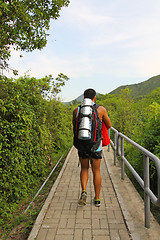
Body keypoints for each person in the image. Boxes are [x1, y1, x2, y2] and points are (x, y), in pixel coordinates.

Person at [72, 88, 111, 207]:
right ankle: (97, 199)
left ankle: (84, 191)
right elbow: (109, 125)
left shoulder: (76, 110)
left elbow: (74, 126)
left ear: (84, 97)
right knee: (96, 171)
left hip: (82, 145)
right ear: (95, 98)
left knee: (84, 169)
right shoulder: (101, 109)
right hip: (96, 146)